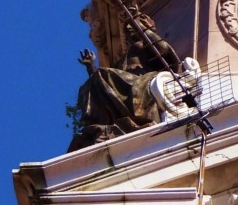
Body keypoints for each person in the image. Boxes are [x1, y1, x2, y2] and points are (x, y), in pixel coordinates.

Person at [68, 13, 182, 151]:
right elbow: (102, 84)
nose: (129, 32)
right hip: (126, 85)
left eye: (132, 28)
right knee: (90, 83)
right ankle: (100, 124)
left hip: (141, 82)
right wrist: (91, 66)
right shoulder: (121, 60)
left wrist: (144, 30)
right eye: (127, 30)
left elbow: (164, 50)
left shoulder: (144, 45)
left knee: (102, 74)